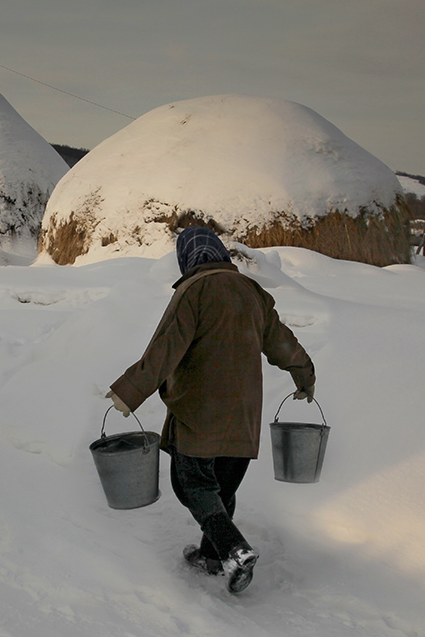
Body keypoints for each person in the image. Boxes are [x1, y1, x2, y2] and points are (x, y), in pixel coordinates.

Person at [107, 227, 315, 594]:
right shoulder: (253, 293)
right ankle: (213, 556)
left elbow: (164, 349)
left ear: (187, 259)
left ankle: (235, 550)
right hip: (245, 415)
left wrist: (129, 392)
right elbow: (283, 343)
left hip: (199, 413)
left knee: (192, 485)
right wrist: (304, 376)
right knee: (222, 486)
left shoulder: (193, 291)